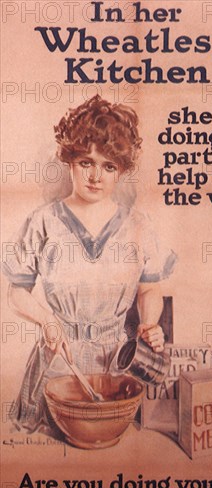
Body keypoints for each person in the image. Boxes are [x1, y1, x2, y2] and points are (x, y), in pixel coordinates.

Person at [2, 95, 177, 436]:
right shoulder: (43, 222)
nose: (96, 176)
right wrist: (47, 320)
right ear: (69, 160)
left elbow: (150, 288)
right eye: (86, 162)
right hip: (59, 363)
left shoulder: (139, 226)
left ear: (122, 169)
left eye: (109, 166)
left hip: (119, 368)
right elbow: (16, 293)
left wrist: (149, 324)